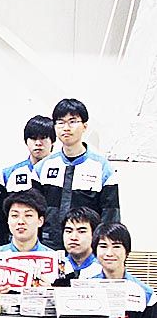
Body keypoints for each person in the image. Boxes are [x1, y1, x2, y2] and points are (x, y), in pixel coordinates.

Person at [32, 98, 120, 249]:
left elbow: (110, 217)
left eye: (72, 121)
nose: (66, 128)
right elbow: (34, 212)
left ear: (85, 126)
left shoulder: (102, 168)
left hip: (87, 250)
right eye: (60, 122)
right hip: (48, 248)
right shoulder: (42, 168)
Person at [0, 115, 55, 245]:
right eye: (33, 138)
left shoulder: (62, 171)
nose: (38, 143)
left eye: (43, 138)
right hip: (17, 244)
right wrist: (4, 244)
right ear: (26, 141)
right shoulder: (9, 174)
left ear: (53, 141)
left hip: (54, 244)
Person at [58, 207, 102, 280]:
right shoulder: (55, 267)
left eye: (81, 232)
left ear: (94, 234)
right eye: (68, 231)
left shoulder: (103, 268)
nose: (73, 237)